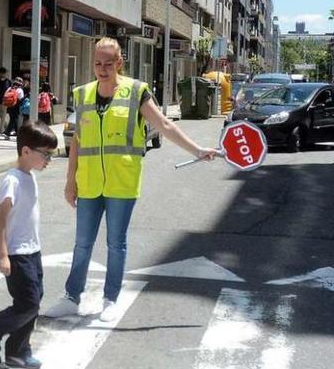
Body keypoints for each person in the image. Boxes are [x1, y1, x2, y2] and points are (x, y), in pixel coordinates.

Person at [43, 37, 218, 322]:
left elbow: (164, 124)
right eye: (98, 63)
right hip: (88, 182)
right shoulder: (83, 94)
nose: (102, 69)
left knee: (116, 243)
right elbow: (77, 140)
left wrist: (197, 150)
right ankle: (71, 297)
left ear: (120, 63)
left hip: (121, 183)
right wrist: (69, 180)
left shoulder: (136, 91)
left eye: (108, 64)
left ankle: (110, 299)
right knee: (82, 243)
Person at [0, 122, 57, 369]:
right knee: (29, 304)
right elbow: (1, 218)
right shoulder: (12, 180)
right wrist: (3, 255)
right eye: (45, 154)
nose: (48, 160)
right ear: (26, 152)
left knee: (33, 302)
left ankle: (18, 352)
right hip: (17, 253)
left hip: (32, 250)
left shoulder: (29, 176)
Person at [0, 67, 12, 136]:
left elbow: (11, 91)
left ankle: (0, 130)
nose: (2, 74)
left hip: (5, 101)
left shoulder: (8, 81)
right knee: (1, 116)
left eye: (3, 73)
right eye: (1, 73)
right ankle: (7, 128)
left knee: (3, 116)